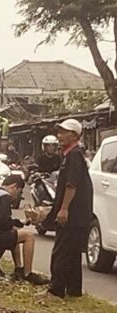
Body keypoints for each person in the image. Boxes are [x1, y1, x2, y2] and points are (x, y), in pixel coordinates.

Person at [0, 175, 48, 284]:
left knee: (15, 235)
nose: (17, 196)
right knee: (29, 236)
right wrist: (20, 223)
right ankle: (27, 273)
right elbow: (5, 222)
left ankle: (18, 268)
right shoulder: (5, 196)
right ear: (14, 187)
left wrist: (19, 223)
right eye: (19, 192)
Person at [46, 119, 93, 298]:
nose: (59, 136)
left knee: (62, 250)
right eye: (58, 132)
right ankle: (74, 290)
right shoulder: (71, 154)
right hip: (80, 213)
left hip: (73, 213)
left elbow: (71, 185)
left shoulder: (74, 155)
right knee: (73, 252)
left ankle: (55, 290)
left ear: (74, 135)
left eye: (64, 132)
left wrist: (63, 208)